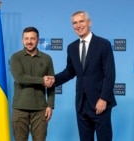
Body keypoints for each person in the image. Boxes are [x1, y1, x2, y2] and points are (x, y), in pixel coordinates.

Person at [54, 10, 117, 141]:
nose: (78, 25)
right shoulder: (72, 47)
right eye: (74, 23)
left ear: (89, 23)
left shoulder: (103, 44)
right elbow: (70, 71)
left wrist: (103, 98)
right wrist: (54, 80)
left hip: (100, 104)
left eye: (81, 21)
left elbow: (109, 74)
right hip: (81, 105)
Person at [10, 26, 55, 141]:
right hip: (20, 109)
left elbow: (51, 83)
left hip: (40, 110)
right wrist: (41, 80)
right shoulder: (16, 57)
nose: (29, 41)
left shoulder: (46, 58)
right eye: (26, 38)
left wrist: (50, 105)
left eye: (32, 38)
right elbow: (20, 78)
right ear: (22, 40)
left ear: (38, 40)